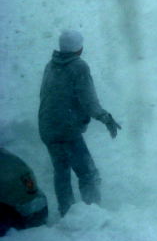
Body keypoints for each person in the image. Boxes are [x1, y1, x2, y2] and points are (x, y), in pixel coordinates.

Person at [38, 30, 121, 217]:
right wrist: (105, 117)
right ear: (79, 48)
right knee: (88, 174)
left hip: (47, 128)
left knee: (62, 173)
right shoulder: (78, 66)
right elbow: (89, 101)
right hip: (66, 129)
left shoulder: (51, 65)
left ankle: (67, 214)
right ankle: (93, 214)